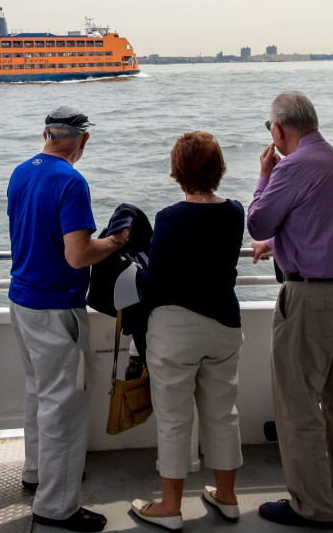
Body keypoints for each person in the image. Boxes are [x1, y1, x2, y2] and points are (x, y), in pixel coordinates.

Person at [247, 91, 333, 529]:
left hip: (310, 301)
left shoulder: (294, 166)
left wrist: (264, 176)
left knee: (298, 404)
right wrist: (279, 243)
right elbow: (323, 223)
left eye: (270, 127)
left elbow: (258, 222)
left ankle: (312, 506)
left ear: (280, 129)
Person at [6, 106, 129, 533]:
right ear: (84, 140)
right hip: (56, 309)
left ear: (45, 134)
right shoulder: (71, 181)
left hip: (21, 301)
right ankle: (56, 508)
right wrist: (115, 241)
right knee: (64, 408)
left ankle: (36, 473)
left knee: (38, 393)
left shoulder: (21, 171)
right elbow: (78, 256)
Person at [129, 132, 244, 531]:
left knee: (175, 418)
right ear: (218, 168)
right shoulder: (235, 212)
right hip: (225, 323)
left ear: (178, 171)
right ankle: (227, 497)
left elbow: (157, 281)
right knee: (223, 413)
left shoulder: (170, 217)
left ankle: (170, 506)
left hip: (177, 328)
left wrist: (137, 277)